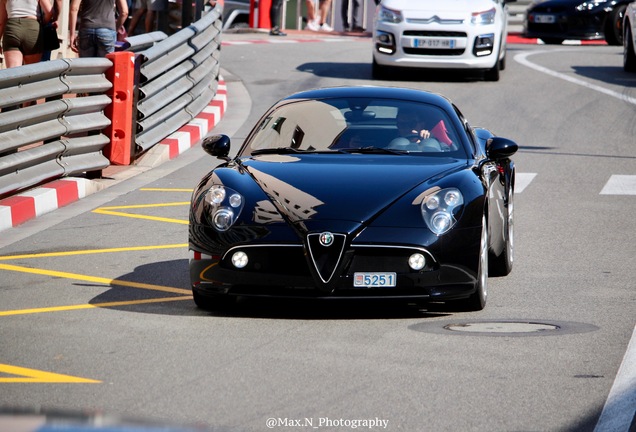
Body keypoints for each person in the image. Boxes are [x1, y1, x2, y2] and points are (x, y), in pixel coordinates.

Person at [0, 0, 53, 67]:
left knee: (13, 72)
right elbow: (49, 12)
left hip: (12, 29)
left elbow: (2, 21)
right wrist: (43, 23)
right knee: (31, 71)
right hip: (33, 28)